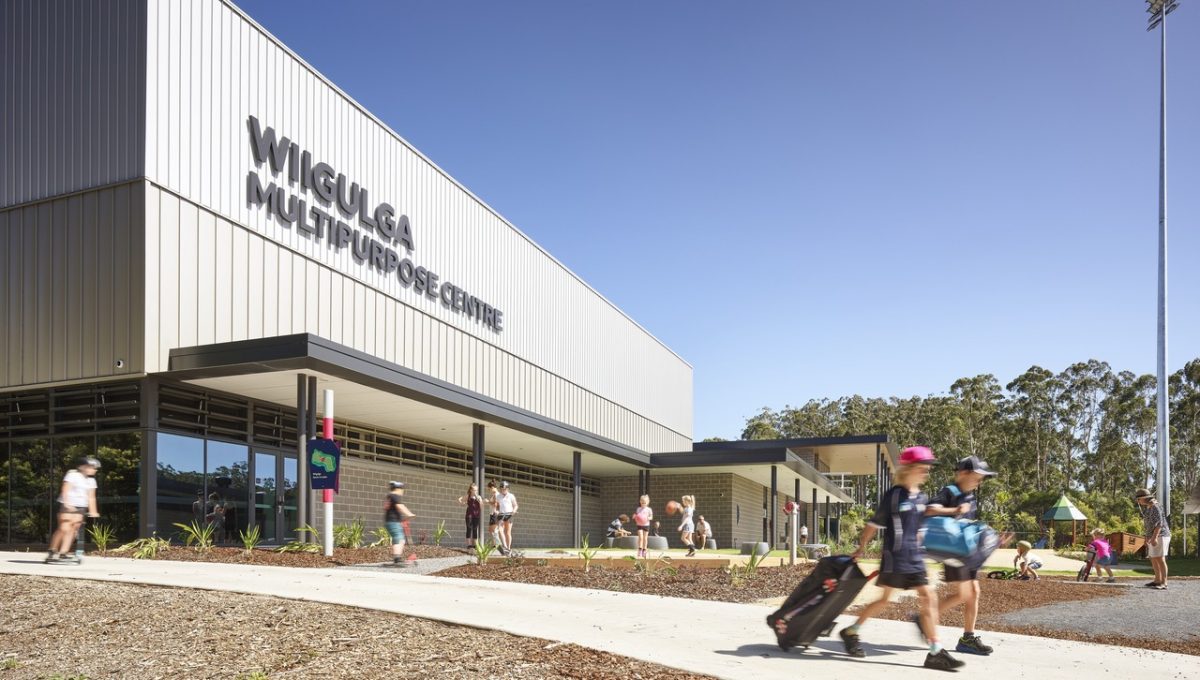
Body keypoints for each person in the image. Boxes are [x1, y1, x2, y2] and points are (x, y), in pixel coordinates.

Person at [841, 446, 964, 671]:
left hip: (914, 558)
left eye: (928, 468)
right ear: (909, 469)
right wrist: (861, 548)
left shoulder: (922, 497)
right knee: (885, 601)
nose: (926, 471)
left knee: (929, 596)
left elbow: (918, 527)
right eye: (923, 467)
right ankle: (851, 631)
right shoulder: (894, 495)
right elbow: (873, 525)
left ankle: (935, 651)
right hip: (895, 557)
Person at [924, 455, 998, 656]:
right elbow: (929, 509)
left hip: (967, 553)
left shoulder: (969, 497)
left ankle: (966, 637)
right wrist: (955, 509)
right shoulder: (951, 491)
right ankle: (929, 620)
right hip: (954, 553)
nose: (980, 481)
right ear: (964, 473)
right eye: (977, 477)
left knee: (972, 592)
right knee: (968, 593)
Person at [47, 457, 101, 563]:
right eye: (92, 467)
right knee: (64, 528)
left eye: (95, 468)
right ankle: (52, 550)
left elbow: (91, 497)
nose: (94, 470)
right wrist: (67, 503)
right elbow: (65, 490)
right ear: (82, 467)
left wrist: (93, 511)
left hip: (81, 506)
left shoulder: (92, 481)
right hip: (67, 505)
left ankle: (63, 552)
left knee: (73, 529)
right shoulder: (72, 475)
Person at [1135, 488, 1171, 590]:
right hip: (1152, 536)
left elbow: (1159, 523)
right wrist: (1146, 537)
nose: (1138, 502)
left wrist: (1154, 537)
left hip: (1161, 535)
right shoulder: (1149, 507)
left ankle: (1164, 582)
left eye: (1138, 499)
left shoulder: (1155, 506)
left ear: (1143, 498)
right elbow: (1148, 525)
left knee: (1160, 558)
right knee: (1153, 557)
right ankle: (1157, 580)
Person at [384, 481, 415, 566]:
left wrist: (402, 520)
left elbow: (393, 510)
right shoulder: (395, 496)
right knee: (399, 539)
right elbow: (400, 506)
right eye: (402, 489)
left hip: (391, 521)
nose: (402, 491)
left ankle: (397, 558)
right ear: (398, 489)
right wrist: (409, 514)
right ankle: (397, 559)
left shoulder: (390, 496)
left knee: (398, 539)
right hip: (393, 522)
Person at [457, 483, 483, 548]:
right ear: (471, 490)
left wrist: (479, 500)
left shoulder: (479, 497)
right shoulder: (468, 496)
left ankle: (475, 545)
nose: (475, 491)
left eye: (476, 490)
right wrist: (463, 503)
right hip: (469, 515)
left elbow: (481, 507)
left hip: (476, 515)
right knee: (469, 529)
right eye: (474, 490)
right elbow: (459, 499)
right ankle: (469, 545)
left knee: (475, 529)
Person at [496, 481, 519, 555]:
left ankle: (508, 548)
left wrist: (514, 511)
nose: (503, 490)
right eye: (501, 489)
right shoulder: (498, 496)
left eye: (504, 489)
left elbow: (515, 505)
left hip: (509, 515)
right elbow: (497, 506)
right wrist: (497, 511)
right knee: (500, 530)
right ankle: (505, 546)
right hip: (501, 515)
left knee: (508, 532)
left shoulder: (511, 496)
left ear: (508, 489)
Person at [485, 481, 502, 549]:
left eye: (489, 489)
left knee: (494, 531)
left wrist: (488, 501)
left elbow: (496, 504)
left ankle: (499, 545)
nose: (489, 491)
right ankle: (494, 544)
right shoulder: (494, 494)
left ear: (492, 487)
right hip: (492, 513)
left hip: (495, 514)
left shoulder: (496, 494)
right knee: (490, 530)